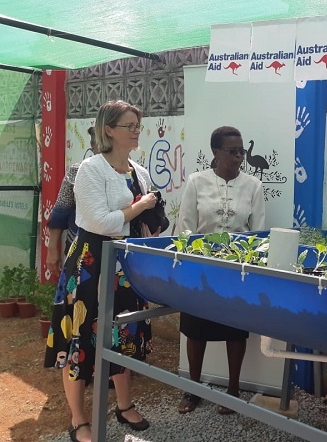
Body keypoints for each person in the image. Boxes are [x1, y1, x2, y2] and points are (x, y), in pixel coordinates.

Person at [44, 100, 159, 442]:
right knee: (81, 336)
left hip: (127, 265)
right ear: (109, 130)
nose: (136, 130)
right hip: (91, 266)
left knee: (124, 333)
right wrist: (138, 207)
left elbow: (148, 223)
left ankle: (124, 405)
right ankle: (79, 419)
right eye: (130, 125)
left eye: (138, 125)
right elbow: (100, 223)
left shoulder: (139, 171)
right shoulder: (89, 170)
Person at [176, 126, 265, 415]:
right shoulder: (196, 182)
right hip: (201, 268)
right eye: (232, 151)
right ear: (216, 152)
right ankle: (193, 390)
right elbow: (186, 227)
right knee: (195, 329)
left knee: (235, 331)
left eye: (241, 151)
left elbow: (258, 232)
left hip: (236, 268)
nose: (239, 156)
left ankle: (234, 391)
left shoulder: (253, 186)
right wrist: (193, 261)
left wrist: (247, 262)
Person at [46, 127, 99, 278]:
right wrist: (52, 250)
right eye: (98, 146)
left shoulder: (130, 172)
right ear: (93, 147)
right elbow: (60, 213)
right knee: (79, 298)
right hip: (80, 249)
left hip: (117, 249)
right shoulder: (78, 171)